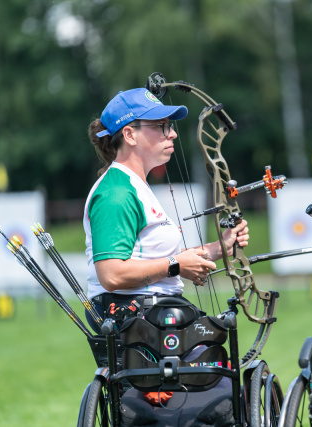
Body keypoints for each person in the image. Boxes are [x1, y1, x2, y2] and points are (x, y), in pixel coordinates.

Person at [84, 87, 249, 333]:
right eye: (161, 126)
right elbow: (112, 274)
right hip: (137, 322)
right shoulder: (115, 192)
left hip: (154, 317)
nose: (172, 134)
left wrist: (220, 248)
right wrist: (177, 265)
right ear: (129, 134)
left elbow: (153, 257)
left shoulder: (135, 186)